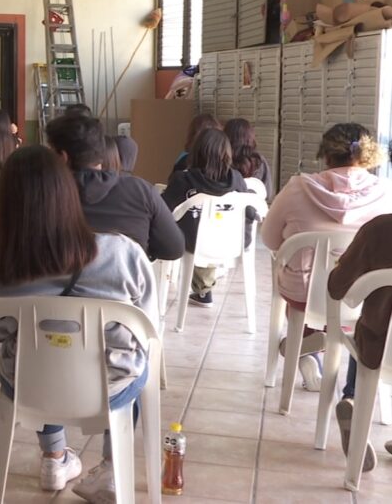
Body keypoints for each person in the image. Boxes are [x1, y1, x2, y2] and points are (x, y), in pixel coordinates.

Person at [0, 145, 157, 500]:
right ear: (68, 195)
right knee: (135, 359)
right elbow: (146, 327)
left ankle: (53, 456)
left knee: (35, 347)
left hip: (29, 384)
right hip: (113, 386)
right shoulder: (122, 252)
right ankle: (112, 469)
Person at [262, 123, 392, 391]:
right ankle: (326, 346)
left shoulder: (297, 187)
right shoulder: (386, 192)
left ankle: (309, 344)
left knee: (299, 278)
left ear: (326, 154)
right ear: (369, 155)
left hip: (304, 294)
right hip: (362, 298)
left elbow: (269, 240)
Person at [45, 114, 184, 263]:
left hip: (61, 285)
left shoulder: (45, 195)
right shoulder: (140, 190)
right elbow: (174, 249)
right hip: (124, 285)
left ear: (62, 157)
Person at [327, 214, 392, 472]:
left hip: (382, 350)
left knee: (366, 327)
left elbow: (337, 287)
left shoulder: (381, 228)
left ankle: (353, 399)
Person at [162, 128, 254, 309]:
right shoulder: (236, 179)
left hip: (193, 244)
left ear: (195, 152)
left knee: (187, 227)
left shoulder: (183, 180)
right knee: (210, 227)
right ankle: (204, 288)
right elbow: (250, 212)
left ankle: (170, 284)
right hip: (232, 242)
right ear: (227, 154)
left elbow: (163, 210)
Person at [224, 118, 273, 200]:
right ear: (250, 137)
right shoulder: (259, 161)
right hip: (254, 208)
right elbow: (268, 193)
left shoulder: (222, 160)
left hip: (226, 209)